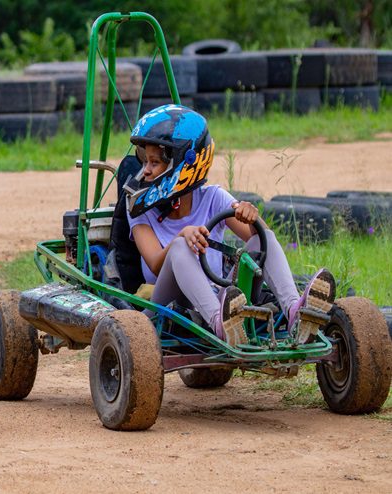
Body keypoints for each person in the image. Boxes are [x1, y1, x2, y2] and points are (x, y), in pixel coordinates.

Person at [124, 104, 335, 346]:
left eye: (154, 163)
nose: (146, 171)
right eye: (145, 162)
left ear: (183, 163)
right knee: (181, 247)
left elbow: (260, 242)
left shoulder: (213, 197)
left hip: (221, 297)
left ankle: (295, 313)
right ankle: (221, 327)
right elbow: (154, 264)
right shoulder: (140, 210)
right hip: (167, 307)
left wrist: (252, 217)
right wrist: (181, 236)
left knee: (263, 237)